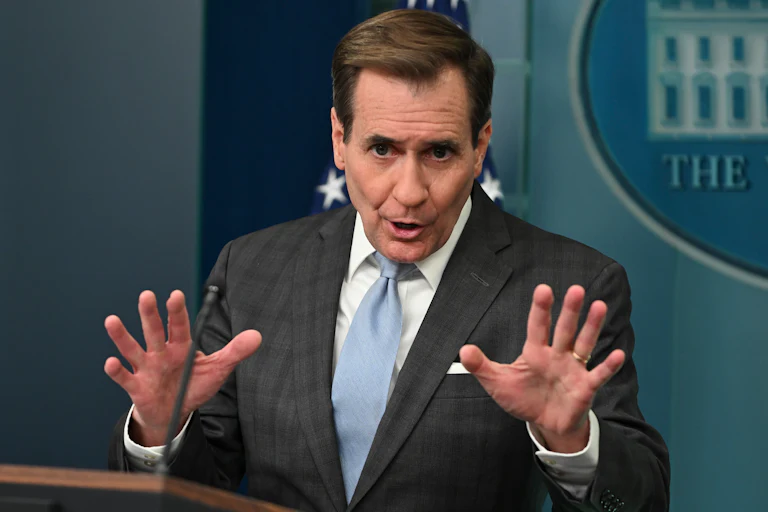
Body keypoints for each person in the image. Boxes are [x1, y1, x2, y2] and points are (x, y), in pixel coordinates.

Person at [105, 9, 669, 511]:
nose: (409, 191)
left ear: (480, 149)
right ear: (338, 140)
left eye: (439, 153)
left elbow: (639, 503)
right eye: (382, 150)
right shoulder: (253, 268)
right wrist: (162, 428)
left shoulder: (572, 285)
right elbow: (198, 490)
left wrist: (571, 442)